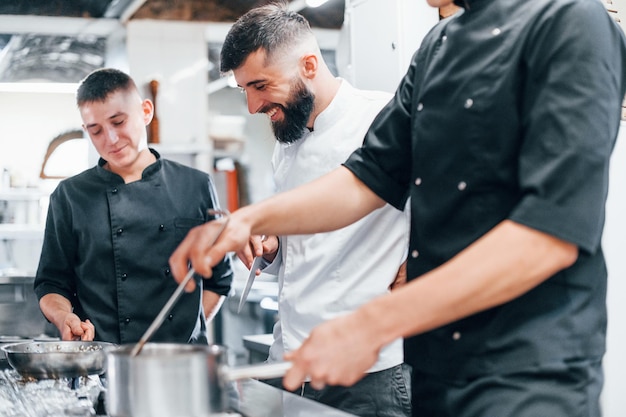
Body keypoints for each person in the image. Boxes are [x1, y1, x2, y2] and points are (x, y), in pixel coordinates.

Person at [170, 0, 626, 416]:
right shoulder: (439, 46)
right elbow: (367, 177)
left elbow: (549, 233)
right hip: (434, 366)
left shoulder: (570, 21)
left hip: (527, 371)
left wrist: (372, 323)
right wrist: (249, 219)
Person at [217, 4, 412, 417]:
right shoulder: (285, 146)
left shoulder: (382, 119)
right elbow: (304, 242)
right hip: (288, 357)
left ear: (309, 65)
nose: (253, 106)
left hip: (366, 371)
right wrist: (271, 244)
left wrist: (423, 262)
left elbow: (448, 210)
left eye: (260, 85)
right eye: (244, 90)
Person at [34, 68, 233, 345]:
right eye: (96, 130)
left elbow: (218, 279)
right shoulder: (69, 196)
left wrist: (188, 335)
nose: (111, 139)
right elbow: (51, 284)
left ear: (146, 111)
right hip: (103, 366)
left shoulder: (195, 185)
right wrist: (63, 316)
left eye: (118, 122)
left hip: (182, 368)